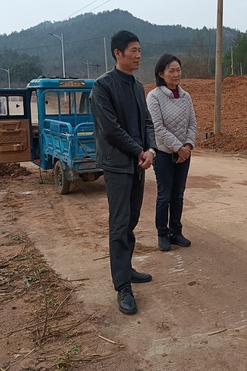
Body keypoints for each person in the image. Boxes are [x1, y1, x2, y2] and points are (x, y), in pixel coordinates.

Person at [89, 30, 157, 315]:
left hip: (138, 164)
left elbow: (147, 122)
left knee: (131, 219)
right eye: (133, 50)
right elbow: (110, 129)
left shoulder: (137, 87)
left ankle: (126, 268)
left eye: (140, 50)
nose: (138, 55)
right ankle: (122, 287)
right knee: (119, 224)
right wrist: (139, 151)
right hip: (117, 165)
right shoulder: (102, 86)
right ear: (118, 53)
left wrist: (150, 149)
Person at [146, 54, 197, 252]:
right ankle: (162, 233)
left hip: (184, 153)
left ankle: (176, 232)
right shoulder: (154, 97)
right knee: (164, 195)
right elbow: (157, 127)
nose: (176, 74)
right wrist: (178, 148)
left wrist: (188, 146)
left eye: (178, 70)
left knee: (178, 194)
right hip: (163, 153)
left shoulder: (186, 97)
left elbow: (192, 123)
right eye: (171, 71)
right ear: (161, 73)